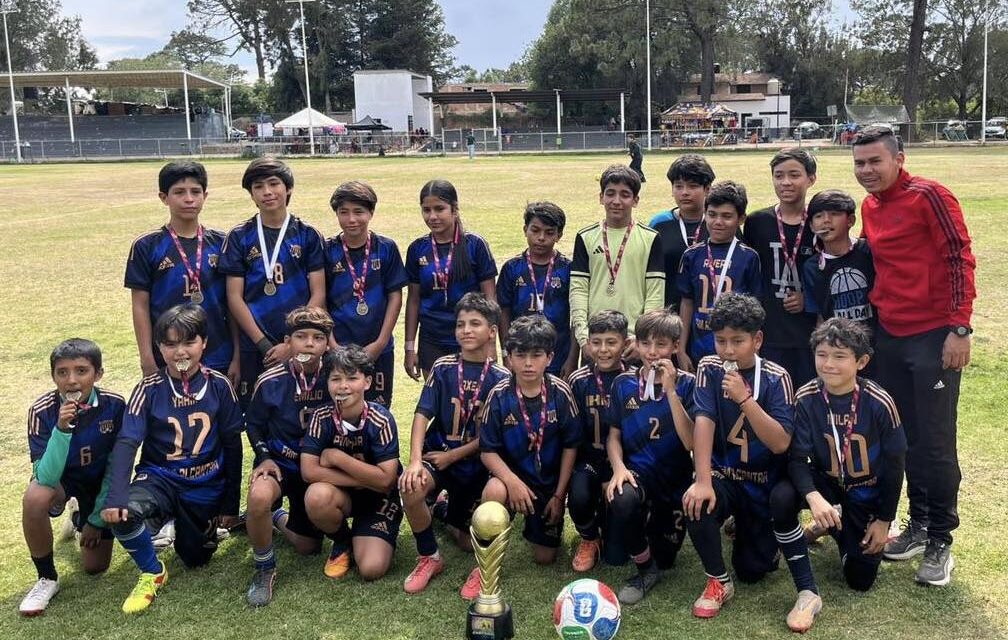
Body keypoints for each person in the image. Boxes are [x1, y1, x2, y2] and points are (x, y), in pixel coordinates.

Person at [852, 126, 976, 586]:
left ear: (898, 158)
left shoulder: (930, 196)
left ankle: (941, 538)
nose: (867, 171)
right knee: (902, 437)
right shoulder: (870, 206)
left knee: (936, 442)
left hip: (933, 336)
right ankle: (919, 524)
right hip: (890, 336)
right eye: (860, 164)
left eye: (875, 162)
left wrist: (959, 328)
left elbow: (959, 258)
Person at [102, 305, 244, 614]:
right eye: (169, 344)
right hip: (160, 478)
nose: (180, 351)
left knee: (196, 559)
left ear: (203, 343)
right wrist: (117, 496)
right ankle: (153, 571)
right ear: (159, 348)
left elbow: (233, 446)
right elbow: (127, 442)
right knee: (123, 513)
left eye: (188, 342)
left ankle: (173, 523)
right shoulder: (148, 389)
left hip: (204, 486)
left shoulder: (219, 386)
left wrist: (230, 505)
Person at [682, 293, 803, 629]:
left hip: (763, 482)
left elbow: (780, 443)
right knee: (696, 500)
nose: (728, 350)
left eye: (738, 341)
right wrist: (703, 480)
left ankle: (765, 538)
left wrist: (745, 398)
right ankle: (718, 580)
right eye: (721, 341)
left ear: (757, 339)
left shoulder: (777, 377)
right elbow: (704, 421)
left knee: (753, 570)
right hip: (725, 476)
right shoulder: (709, 367)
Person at [773, 318, 905, 595]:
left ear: (861, 361)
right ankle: (822, 520)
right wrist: (813, 496)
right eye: (821, 355)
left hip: (865, 491)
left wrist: (883, 520)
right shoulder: (806, 397)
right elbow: (797, 460)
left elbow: (895, 466)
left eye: (839, 356)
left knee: (860, 580)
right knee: (783, 495)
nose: (828, 364)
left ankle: (833, 528)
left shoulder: (880, 402)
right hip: (827, 484)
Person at [461, 314, 580, 600]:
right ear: (510, 358)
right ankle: (484, 566)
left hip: (548, 486)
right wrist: (511, 482)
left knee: (545, 557)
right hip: (509, 479)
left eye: (536, 355)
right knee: (493, 491)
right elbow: (488, 451)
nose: (528, 363)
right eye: (521, 355)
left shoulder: (561, 394)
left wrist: (558, 495)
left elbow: (571, 447)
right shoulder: (499, 395)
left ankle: (539, 524)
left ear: (549, 357)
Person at [399, 294, 511, 594]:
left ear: (491, 331)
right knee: (410, 485)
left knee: (465, 540)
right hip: (438, 454)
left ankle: (449, 516)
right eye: (461, 324)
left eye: (475, 323)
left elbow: (490, 437)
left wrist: (455, 456)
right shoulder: (443, 367)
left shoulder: (502, 379)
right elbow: (423, 414)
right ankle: (429, 556)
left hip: (476, 464)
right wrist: (413, 460)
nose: (467, 330)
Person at [19, 339, 125, 616]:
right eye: (62, 372)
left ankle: (80, 517)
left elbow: (118, 467)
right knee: (35, 497)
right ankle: (46, 578)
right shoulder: (42, 411)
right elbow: (45, 476)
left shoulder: (115, 406)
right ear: (53, 376)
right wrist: (62, 428)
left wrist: (95, 520)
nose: (71, 381)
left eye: (81, 371)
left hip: (98, 483)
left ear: (98, 374)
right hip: (61, 482)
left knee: (95, 567)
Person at [242, 306, 334, 607]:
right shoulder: (270, 380)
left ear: (326, 343)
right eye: (301, 336)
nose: (309, 343)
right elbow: (253, 425)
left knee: (308, 547)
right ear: (287, 341)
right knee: (258, 496)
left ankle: (277, 517)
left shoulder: (336, 378)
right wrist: (264, 456)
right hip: (280, 462)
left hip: (316, 468)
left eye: (318, 337)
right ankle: (264, 566)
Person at [220, 157, 326, 407]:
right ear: (251, 194)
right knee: (258, 412)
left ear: (288, 188)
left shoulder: (308, 234)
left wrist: (291, 343)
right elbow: (234, 297)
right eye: (258, 186)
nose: (267, 192)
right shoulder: (239, 236)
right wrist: (265, 344)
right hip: (254, 344)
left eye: (273, 184)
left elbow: (318, 292)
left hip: (300, 342)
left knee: (302, 408)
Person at [605, 309, 695, 605]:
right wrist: (618, 468)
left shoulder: (689, 385)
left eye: (660, 345)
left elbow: (691, 441)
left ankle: (654, 541)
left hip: (676, 482)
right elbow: (614, 435)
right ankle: (645, 570)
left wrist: (670, 391)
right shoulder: (622, 384)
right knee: (623, 499)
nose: (652, 352)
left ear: (676, 346)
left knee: (667, 558)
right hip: (638, 475)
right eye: (645, 344)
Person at [125, 161, 239, 384]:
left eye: (195, 192)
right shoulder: (146, 246)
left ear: (205, 195)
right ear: (163, 197)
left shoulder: (223, 242)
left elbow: (232, 302)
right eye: (179, 192)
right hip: (167, 355)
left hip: (218, 354)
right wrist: (147, 358)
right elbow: (140, 306)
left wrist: (237, 355)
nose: (189, 199)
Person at [301, 345, 403, 582]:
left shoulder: (381, 419)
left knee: (371, 569)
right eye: (336, 378)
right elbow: (308, 471)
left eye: (352, 378)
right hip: (342, 494)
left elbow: (387, 480)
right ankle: (343, 540)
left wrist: (337, 458)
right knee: (316, 496)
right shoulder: (321, 416)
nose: (343, 386)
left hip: (380, 498)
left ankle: (370, 533)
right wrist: (365, 479)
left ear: (367, 382)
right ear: (327, 383)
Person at [325, 180, 408, 407]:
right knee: (339, 408)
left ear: (371, 212)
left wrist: (380, 342)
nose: (351, 220)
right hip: (339, 345)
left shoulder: (386, 247)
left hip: (377, 347)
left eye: (358, 212)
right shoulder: (327, 250)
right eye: (344, 212)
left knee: (377, 408)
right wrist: (332, 345)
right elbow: (320, 301)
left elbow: (395, 296)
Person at [404, 180, 497, 380]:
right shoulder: (417, 249)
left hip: (470, 335)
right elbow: (413, 300)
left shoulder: (475, 245)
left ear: (454, 209)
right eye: (426, 210)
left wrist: (491, 344)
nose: (432, 216)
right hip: (432, 338)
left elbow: (490, 298)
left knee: (473, 402)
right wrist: (409, 348)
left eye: (439, 209)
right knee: (438, 403)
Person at [570, 165, 664, 363]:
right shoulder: (585, 237)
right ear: (601, 197)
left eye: (625, 195)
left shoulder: (651, 238)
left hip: (632, 343)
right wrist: (583, 338)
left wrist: (643, 340)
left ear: (635, 200)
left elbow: (655, 294)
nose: (616, 201)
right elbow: (578, 290)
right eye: (610, 193)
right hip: (595, 342)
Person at [743, 148, 818, 386]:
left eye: (794, 175)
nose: (785, 182)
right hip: (770, 331)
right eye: (779, 175)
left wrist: (810, 299)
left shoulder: (821, 222)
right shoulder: (757, 222)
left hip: (809, 334)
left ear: (811, 179)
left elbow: (830, 272)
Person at [566, 310, 629, 572]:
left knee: (617, 557)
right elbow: (571, 434)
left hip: (625, 464)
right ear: (588, 343)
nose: (603, 350)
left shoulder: (634, 379)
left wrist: (616, 470)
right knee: (579, 494)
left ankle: (621, 526)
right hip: (589, 461)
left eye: (611, 342)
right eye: (596, 342)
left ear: (625, 344)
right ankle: (589, 538)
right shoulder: (578, 380)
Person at [677, 181, 763, 371]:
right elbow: (687, 302)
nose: (718, 222)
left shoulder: (749, 257)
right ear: (705, 214)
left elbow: (755, 308)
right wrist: (681, 349)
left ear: (741, 219)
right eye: (712, 215)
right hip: (698, 346)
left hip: (735, 348)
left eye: (727, 216)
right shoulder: (692, 255)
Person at [497, 201, 577, 378]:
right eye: (535, 230)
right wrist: (505, 353)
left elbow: (576, 316)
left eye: (549, 233)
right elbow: (503, 311)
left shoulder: (567, 269)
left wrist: (572, 358)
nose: (541, 238)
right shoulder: (512, 268)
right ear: (525, 229)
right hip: (521, 355)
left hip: (558, 355)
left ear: (559, 235)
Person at [649, 154, 717, 308]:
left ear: (707, 189)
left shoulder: (719, 224)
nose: (684, 192)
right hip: (667, 315)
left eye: (692, 186)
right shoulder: (659, 224)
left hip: (708, 316)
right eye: (678, 186)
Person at [802, 190, 876, 327]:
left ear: (851, 220)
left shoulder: (868, 250)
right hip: (839, 343)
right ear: (811, 226)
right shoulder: (812, 266)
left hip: (876, 340)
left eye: (834, 214)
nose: (826, 220)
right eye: (818, 216)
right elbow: (819, 316)